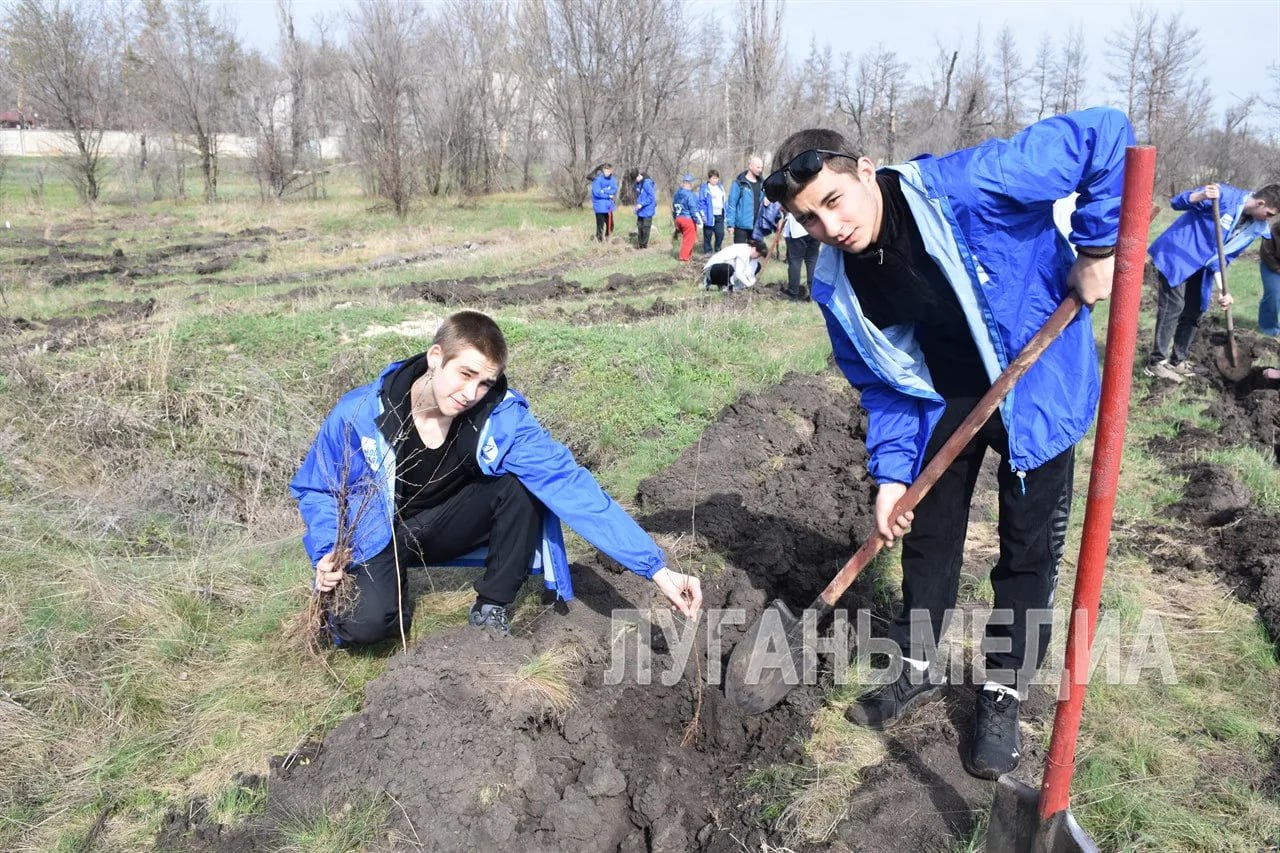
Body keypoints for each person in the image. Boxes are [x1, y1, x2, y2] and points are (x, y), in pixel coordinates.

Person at [764, 107, 1133, 780]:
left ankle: (1004, 688)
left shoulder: (971, 183)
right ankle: (916, 664)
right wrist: (891, 477)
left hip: (1035, 381)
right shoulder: (839, 283)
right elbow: (885, 383)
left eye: (834, 202)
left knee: (1027, 549)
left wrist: (1097, 250)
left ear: (865, 171)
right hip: (943, 394)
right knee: (928, 537)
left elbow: (1105, 133)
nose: (829, 228)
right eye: (809, 220)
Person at [290, 311, 703, 646]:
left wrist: (656, 569)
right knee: (363, 628)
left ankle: (492, 606)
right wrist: (327, 549)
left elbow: (570, 485)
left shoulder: (503, 418)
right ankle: (383, 596)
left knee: (522, 482)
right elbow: (317, 487)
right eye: (465, 374)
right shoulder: (361, 412)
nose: (471, 393)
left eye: (485, 382)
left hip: (449, 524)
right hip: (376, 533)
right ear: (435, 357)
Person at [1144, 182, 1280, 382]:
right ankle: (1156, 363)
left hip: (1203, 267)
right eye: (1269, 214)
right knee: (1174, 305)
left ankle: (1177, 360)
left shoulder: (1254, 228)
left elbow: (1224, 258)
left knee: (1195, 310)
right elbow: (1176, 203)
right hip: (1179, 254)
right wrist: (1200, 196)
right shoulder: (1223, 196)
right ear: (1261, 203)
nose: (1268, 219)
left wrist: (1224, 291)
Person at [702, 239, 768, 292]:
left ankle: (729, 286)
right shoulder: (743, 250)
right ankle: (714, 283)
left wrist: (752, 283)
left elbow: (750, 273)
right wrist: (749, 285)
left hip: (729, 271)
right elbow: (739, 273)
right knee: (727, 269)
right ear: (754, 248)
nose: (758, 257)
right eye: (758, 254)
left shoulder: (752, 256)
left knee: (758, 266)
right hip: (712, 270)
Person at [726, 155, 765, 244]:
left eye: (761, 167)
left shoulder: (762, 184)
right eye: (758, 167)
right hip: (741, 226)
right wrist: (730, 224)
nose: (760, 170)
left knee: (754, 252)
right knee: (740, 251)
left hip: (756, 227)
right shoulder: (739, 183)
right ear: (750, 166)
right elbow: (732, 204)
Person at [782, 211, 819, 301]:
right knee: (812, 261)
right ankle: (814, 294)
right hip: (815, 228)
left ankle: (793, 294)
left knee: (795, 262)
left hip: (798, 228)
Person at [672, 174, 702, 263]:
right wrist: (698, 221)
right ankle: (683, 258)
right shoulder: (690, 195)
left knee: (687, 238)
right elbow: (693, 209)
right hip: (687, 219)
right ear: (690, 184)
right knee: (689, 240)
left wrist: (675, 220)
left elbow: (674, 207)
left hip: (678, 219)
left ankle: (688, 257)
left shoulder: (677, 194)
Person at [1258, 219, 1280, 336]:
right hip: (1272, 264)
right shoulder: (1275, 229)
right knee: (1273, 295)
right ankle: (1269, 327)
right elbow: (1266, 252)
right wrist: (1277, 268)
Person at [698, 169, 726, 254]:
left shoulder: (720, 187)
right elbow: (701, 202)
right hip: (709, 215)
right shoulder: (705, 188)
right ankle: (708, 251)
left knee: (720, 233)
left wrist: (726, 212)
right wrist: (703, 214)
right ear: (709, 178)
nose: (715, 180)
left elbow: (724, 200)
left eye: (716, 178)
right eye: (713, 178)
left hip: (719, 214)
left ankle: (717, 248)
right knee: (708, 234)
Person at [591, 164, 619, 242]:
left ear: (611, 171)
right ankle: (599, 241)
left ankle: (607, 239)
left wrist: (604, 191)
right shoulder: (598, 180)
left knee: (611, 225)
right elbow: (597, 193)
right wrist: (608, 195)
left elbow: (614, 190)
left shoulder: (613, 180)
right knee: (600, 226)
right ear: (603, 171)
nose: (606, 173)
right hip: (599, 206)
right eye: (605, 171)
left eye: (608, 171)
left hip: (609, 206)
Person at [634, 168, 657, 249]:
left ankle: (644, 246)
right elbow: (636, 189)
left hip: (647, 210)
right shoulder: (641, 184)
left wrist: (642, 204)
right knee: (640, 227)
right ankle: (640, 245)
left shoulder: (647, 184)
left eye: (638, 176)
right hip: (641, 210)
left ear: (642, 176)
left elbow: (651, 197)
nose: (637, 178)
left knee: (645, 228)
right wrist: (637, 182)